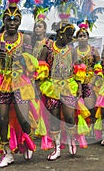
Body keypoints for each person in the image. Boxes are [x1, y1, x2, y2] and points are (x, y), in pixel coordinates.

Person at [0, 2, 37, 167]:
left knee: (22, 118)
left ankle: (27, 139)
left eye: (15, 20)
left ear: (19, 22)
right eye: (8, 20)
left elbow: (31, 63)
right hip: (2, 82)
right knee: (2, 118)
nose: (12, 23)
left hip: (20, 82)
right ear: (4, 21)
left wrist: (21, 58)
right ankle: (7, 153)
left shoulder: (24, 38)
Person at [38, 21, 88, 160]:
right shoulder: (46, 49)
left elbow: (78, 67)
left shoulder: (72, 50)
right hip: (51, 87)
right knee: (54, 117)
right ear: (60, 34)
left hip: (68, 85)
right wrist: (39, 87)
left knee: (69, 116)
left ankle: (72, 139)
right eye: (68, 35)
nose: (71, 39)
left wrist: (78, 85)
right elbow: (41, 69)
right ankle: (57, 147)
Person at [75, 23, 101, 134]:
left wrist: (96, 78)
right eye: (80, 36)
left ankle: (93, 126)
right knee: (80, 105)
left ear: (88, 37)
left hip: (91, 80)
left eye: (84, 36)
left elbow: (98, 64)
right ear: (77, 38)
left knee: (90, 104)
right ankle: (82, 127)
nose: (82, 38)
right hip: (77, 80)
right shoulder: (74, 51)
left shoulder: (94, 50)